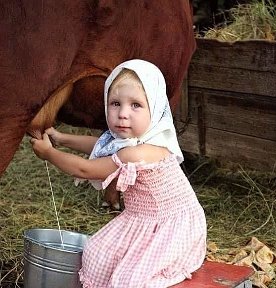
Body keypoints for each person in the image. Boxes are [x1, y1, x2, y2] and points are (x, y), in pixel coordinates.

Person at [31, 59, 207, 288]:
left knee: (129, 281)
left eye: (136, 105)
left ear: (154, 108)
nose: (123, 113)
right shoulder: (132, 142)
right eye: (115, 103)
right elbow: (100, 145)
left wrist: (50, 154)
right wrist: (62, 138)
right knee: (96, 253)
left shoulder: (141, 152)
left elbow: (85, 169)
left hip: (171, 228)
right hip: (143, 220)